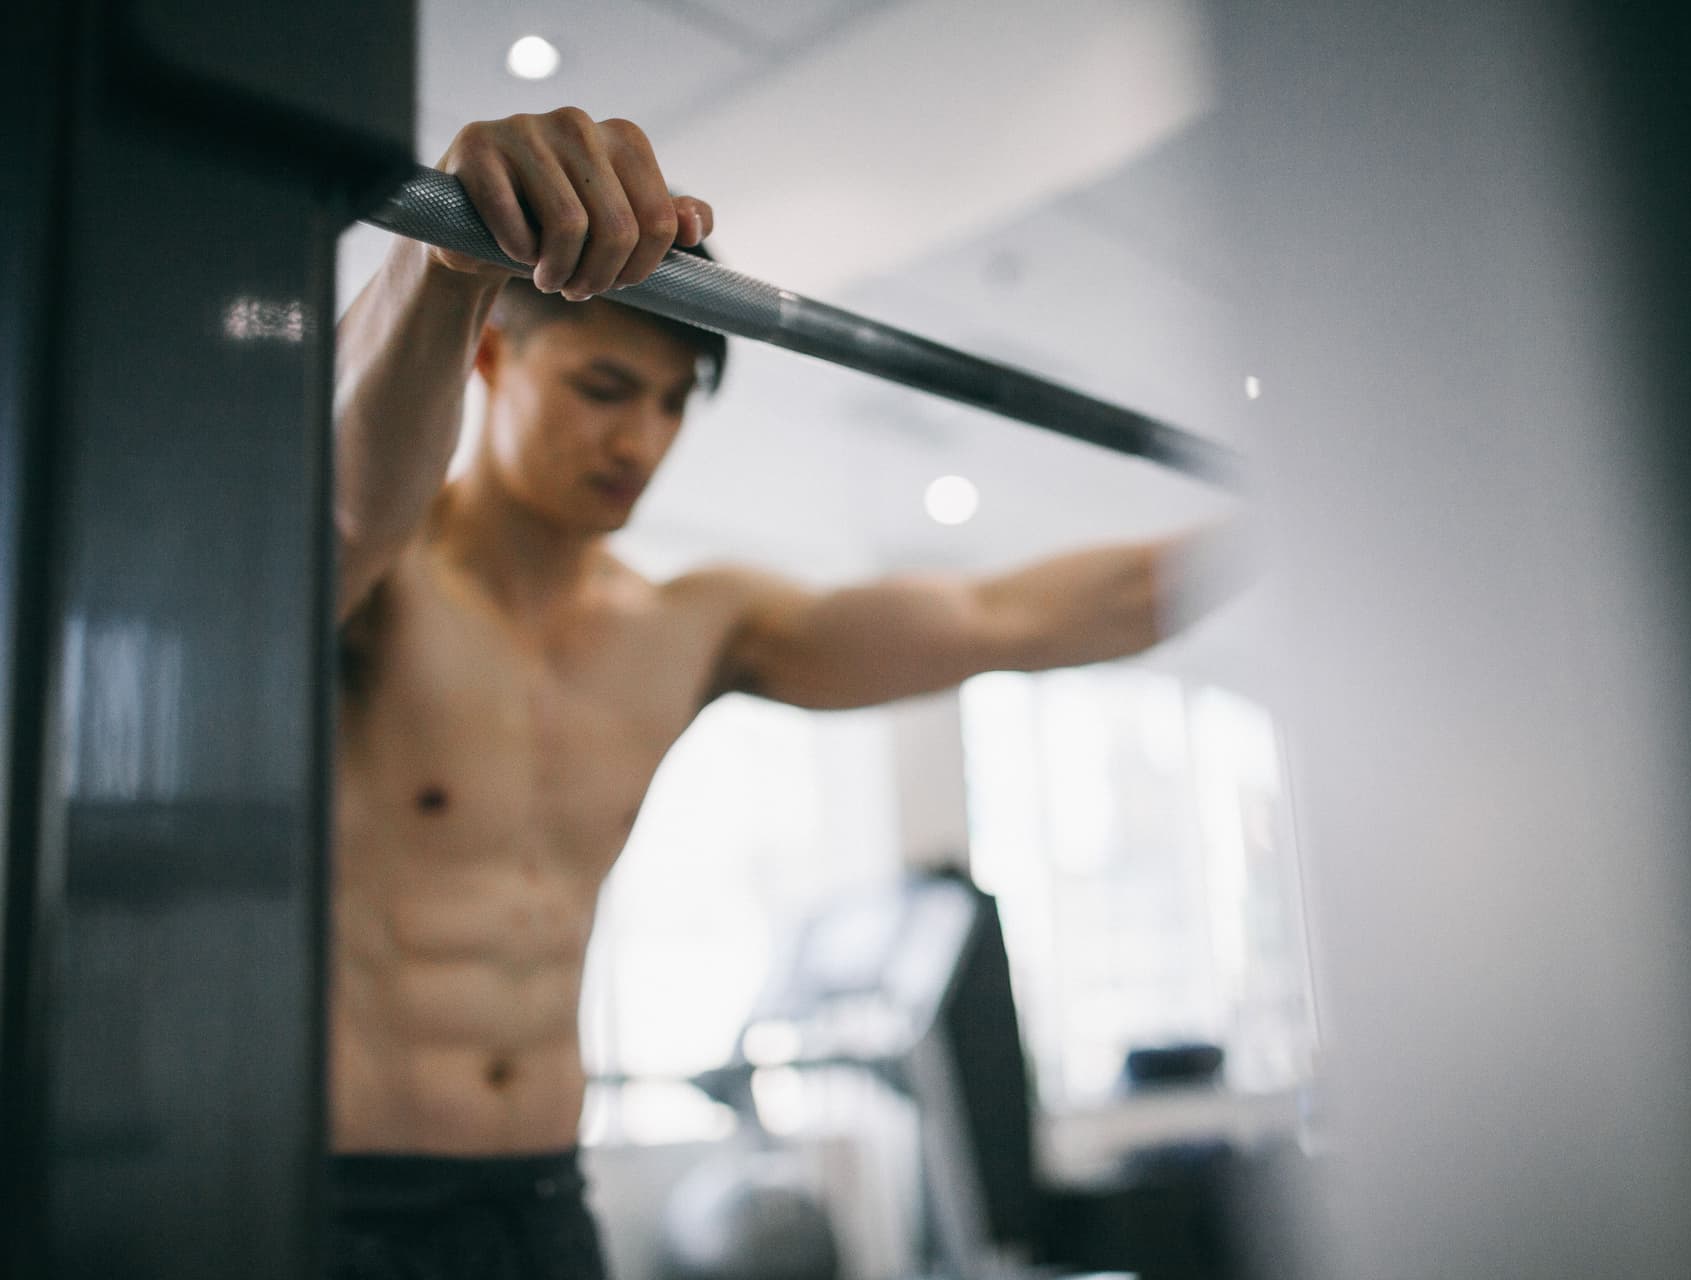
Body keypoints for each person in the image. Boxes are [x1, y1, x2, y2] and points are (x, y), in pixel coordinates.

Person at [328, 107, 1234, 1280]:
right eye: (605, 385)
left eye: (670, 404)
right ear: (495, 358)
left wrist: (1295, 522)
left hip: (547, 1197)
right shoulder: (374, 581)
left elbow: (1007, 619)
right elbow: (351, 498)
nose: (641, 439)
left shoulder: (695, 623)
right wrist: (443, 262)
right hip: (343, 1201)